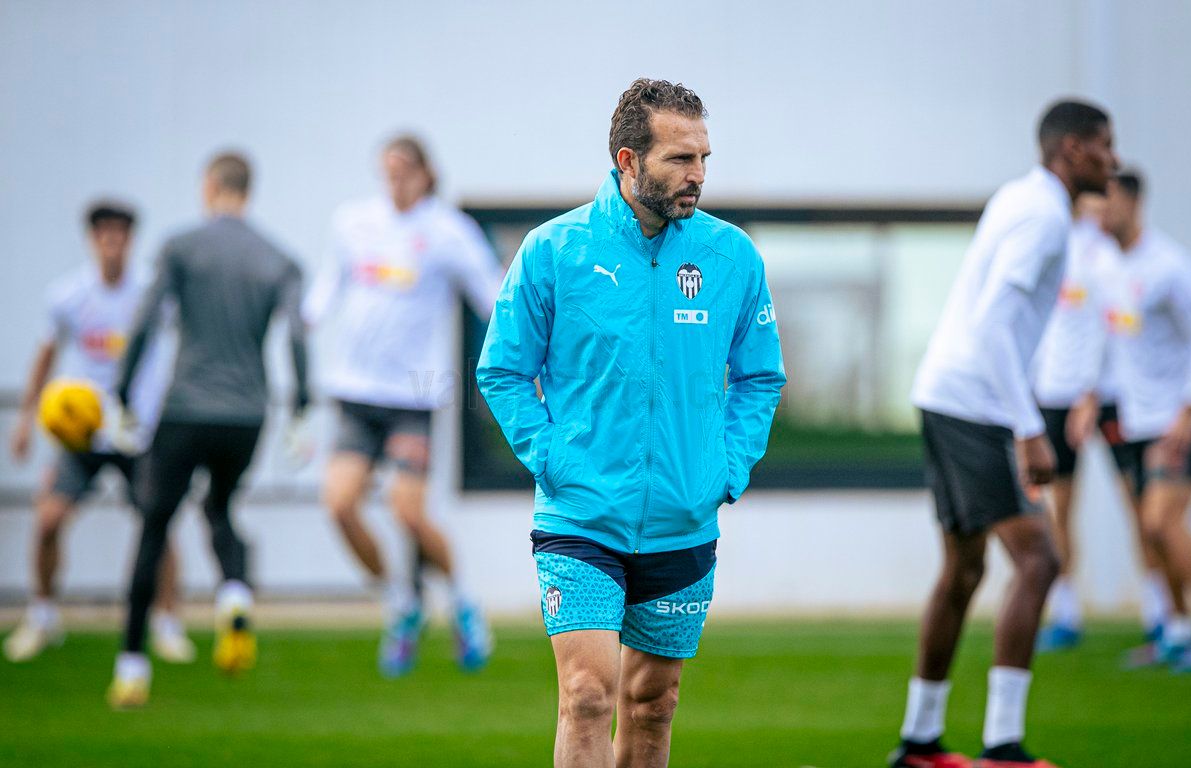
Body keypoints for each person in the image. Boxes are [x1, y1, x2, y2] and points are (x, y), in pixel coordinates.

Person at [477, 78, 786, 768]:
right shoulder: (554, 251)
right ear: (628, 160)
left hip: (684, 518)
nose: (698, 174)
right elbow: (501, 370)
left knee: (653, 704)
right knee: (588, 693)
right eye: (680, 158)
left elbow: (760, 378)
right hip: (580, 516)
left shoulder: (732, 256)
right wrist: (553, 458)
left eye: (703, 158)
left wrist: (725, 468)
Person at [896, 99, 1117, 768]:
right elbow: (994, 323)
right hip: (974, 405)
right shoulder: (1045, 216)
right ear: (1073, 149)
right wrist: (1029, 429)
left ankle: (920, 741)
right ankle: (1003, 746)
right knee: (1039, 560)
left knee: (964, 569)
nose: (1113, 160)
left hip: (946, 394)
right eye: (1104, 145)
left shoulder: (1019, 197)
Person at [105, 152, 309, 708]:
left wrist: (122, 394)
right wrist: (300, 407)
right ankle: (235, 593)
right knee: (220, 508)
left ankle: (131, 666)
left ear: (211, 185)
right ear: (248, 188)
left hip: (185, 408)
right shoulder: (279, 259)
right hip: (246, 415)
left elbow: (145, 321)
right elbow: (296, 335)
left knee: (154, 526)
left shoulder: (180, 247)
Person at [303, 134, 502, 675]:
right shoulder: (353, 222)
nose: (395, 181)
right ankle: (401, 605)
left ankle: (462, 602)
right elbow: (325, 288)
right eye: (387, 171)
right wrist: (302, 319)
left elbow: (492, 296)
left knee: (407, 512)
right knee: (339, 504)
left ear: (425, 174)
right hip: (355, 392)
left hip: (413, 395)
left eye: (404, 171)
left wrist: (532, 349)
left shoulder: (447, 231)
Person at [4, 201, 193, 665]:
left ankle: (167, 622)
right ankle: (43, 615)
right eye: (103, 233)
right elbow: (46, 355)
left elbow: (187, 340)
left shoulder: (150, 293)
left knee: (158, 524)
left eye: (120, 233)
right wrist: (26, 418)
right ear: (92, 239)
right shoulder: (68, 295)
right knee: (49, 519)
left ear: (130, 240)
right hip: (80, 433)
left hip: (137, 431)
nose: (112, 242)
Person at [1032, 193, 1170, 651]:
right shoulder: (1050, 243)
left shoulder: (1108, 255)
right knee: (1059, 507)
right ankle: (1066, 612)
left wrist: (1090, 392)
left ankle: (1160, 613)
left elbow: (1115, 324)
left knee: (1140, 505)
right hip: (1055, 394)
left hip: (1108, 398)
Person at [1093, 169, 1191, 671]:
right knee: (1148, 532)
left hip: (1173, 419)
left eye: (1108, 201)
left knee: (1162, 522)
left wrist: (1188, 409)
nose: (1100, 211)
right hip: (1132, 418)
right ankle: (1177, 630)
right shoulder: (1105, 266)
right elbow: (1113, 341)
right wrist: (1089, 397)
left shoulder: (1170, 266)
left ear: (1134, 203)